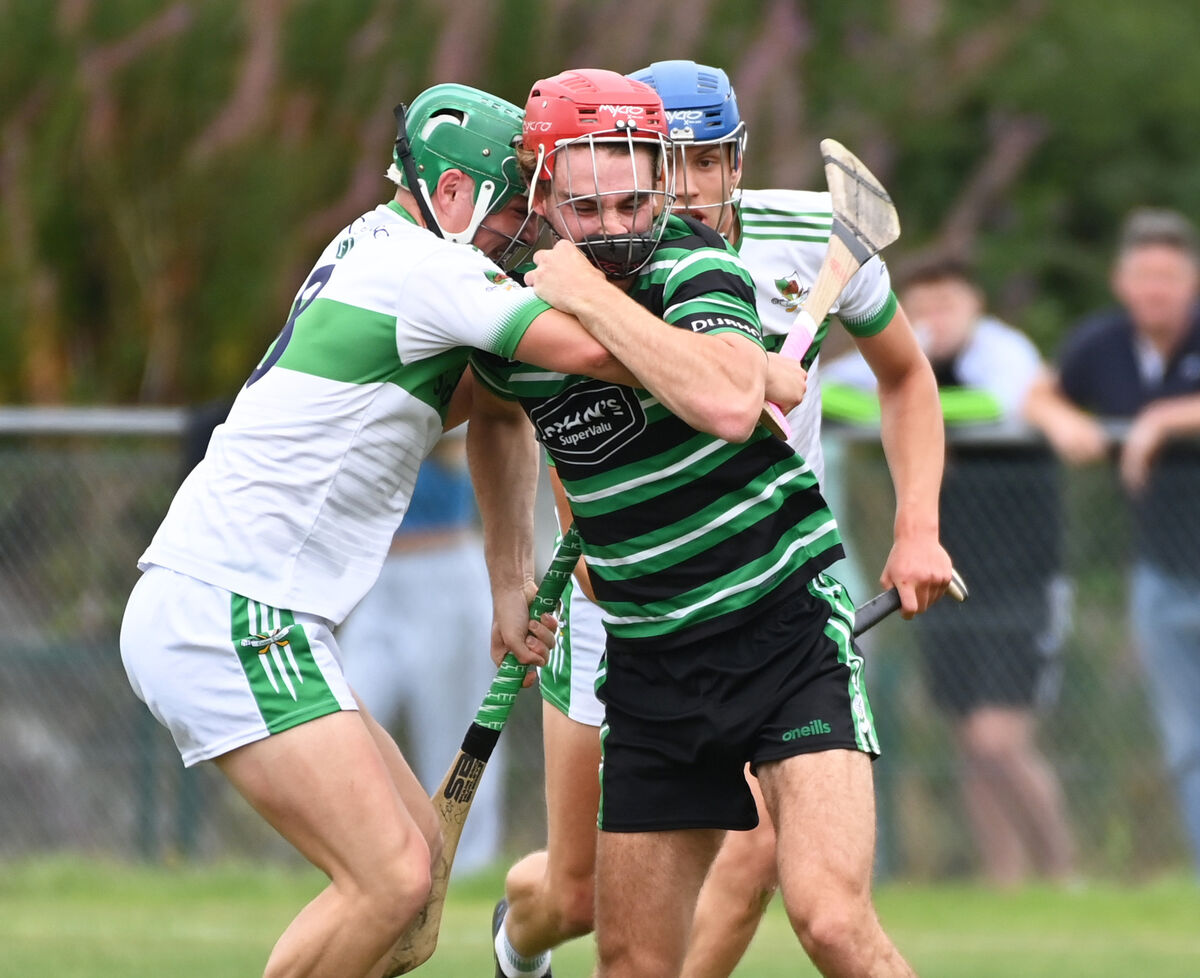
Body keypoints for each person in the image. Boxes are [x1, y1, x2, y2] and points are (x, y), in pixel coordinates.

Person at [117, 80, 742, 978]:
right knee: (393, 881)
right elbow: (606, 358)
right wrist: (733, 350)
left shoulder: (386, 252)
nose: (531, 231)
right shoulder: (429, 270)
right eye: (515, 206)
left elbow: (498, 406)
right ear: (451, 193)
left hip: (251, 610)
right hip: (232, 611)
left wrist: (507, 581)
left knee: (412, 889)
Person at [481, 67, 951, 978]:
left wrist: (916, 524)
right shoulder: (507, 300)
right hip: (639, 632)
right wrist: (516, 571)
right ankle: (516, 941)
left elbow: (741, 402)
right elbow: (499, 409)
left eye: (644, 188)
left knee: (828, 915)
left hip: (780, 614)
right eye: (591, 200)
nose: (631, 215)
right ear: (548, 195)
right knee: (598, 925)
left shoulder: (705, 258)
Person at [824, 256, 1078, 885]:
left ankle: (1066, 872)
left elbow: (996, 401)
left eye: (949, 306)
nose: (934, 321)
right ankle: (1006, 883)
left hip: (1023, 578)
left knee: (1000, 741)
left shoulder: (1003, 351)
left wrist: (910, 393)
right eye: (923, 309)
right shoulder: (903, 351)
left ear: (977, 307)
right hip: (942, 575)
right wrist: (899, 382)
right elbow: (821, 385)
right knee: (970, 741)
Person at [1025, 207, 1200, 874]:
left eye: (1170, 276)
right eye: (1144, 275)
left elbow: (1168, 417)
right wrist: (1061, 419)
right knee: (1186, 742)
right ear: (1122, 282)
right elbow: (1037, 395)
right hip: (1161, 571)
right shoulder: (1102, 344)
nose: (1156, 289)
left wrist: (1162, 420)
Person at [338, 429, 503, 877]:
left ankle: (464, 868)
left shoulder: (440, 369)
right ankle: (365, 859)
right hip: (374, 576)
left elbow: (457, 448)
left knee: (455, 738)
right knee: (343, 709)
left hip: (443, 569)